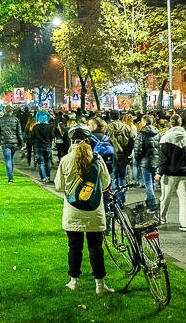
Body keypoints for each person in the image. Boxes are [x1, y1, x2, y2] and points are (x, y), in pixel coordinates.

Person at [54, 123, 114, 294]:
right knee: (96, 248)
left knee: (74, 247)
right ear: (88, 140)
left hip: (73, 210)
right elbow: (106, 182)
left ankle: (73, 281)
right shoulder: (97, 158)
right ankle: (99, 284)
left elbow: (59, 186)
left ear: (71, 140)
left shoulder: (66, 160)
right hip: (94, 210)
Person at [157, 114, 186, 232]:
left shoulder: (165, 138)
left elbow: (163, 158)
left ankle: (162, 217)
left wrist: (160, 172)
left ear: (170, 123)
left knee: (165, 198)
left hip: (169, 173)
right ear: (180, 123)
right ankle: (185, 224)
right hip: (183, 173)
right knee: (184, 199)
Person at [104, 110, 136, 205]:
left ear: (110, 117)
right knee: (122, 177)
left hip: (111, 155)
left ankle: (115, 199)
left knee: (113, 177)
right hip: (123, 155)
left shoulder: (107, 128)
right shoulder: (126, 127)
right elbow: (131, 142)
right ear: (119, 116)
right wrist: (128, 154)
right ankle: (122, 200)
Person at [134, 115, 161, 210]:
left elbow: (138, 148)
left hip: (145, 161)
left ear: (145, 122)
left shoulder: (142, 133)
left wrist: (138, 159)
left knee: (148, 183)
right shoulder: (158, 133)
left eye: (142, 121)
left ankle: (151, 203)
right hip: (156, 160)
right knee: (153, 182)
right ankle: (150, 199)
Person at [0, 105, 23, 183]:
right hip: (14, 142)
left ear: (5, 111)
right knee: (11, 158)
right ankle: (11, 173)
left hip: (5, 141)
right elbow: (19, 132)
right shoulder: (16, 119)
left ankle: (10, 177)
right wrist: (21, 144)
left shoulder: (0, 119)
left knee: (8, 159)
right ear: (12, 111)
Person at [32, 109, 56, 183]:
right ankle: (48, 176)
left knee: (40, 163)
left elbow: (32, 136)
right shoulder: (49, 127)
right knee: (47, 162)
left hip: (38, 146)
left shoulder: (35, 127)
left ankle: (43, 177)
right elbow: (52, 136)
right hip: (47, 146)